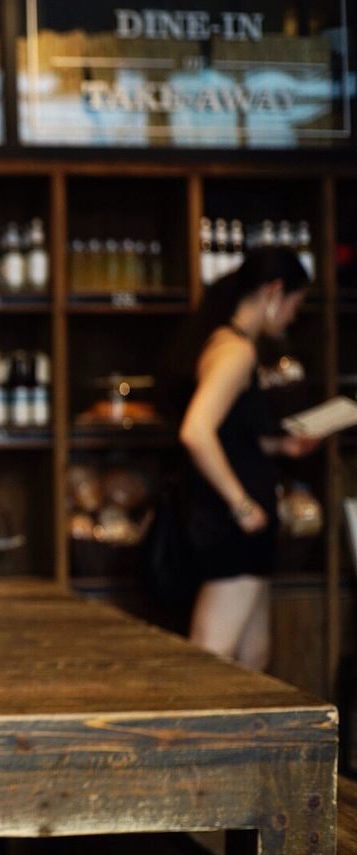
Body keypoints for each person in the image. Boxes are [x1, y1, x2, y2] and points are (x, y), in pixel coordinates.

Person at [171, 247, 318, 670]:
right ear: (273, 292)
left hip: (241, 524)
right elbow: (196, 432)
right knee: (212, 659)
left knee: (253, 658)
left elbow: (227, 435)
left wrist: (280, 447)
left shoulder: (227, 344)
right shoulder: (236, 352)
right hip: (232, 524)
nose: (292, 317)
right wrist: (242, 504)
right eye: (294, 304)